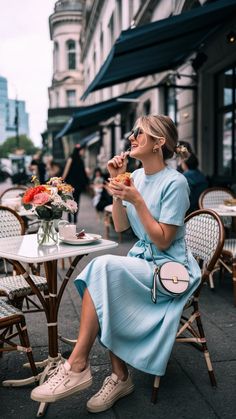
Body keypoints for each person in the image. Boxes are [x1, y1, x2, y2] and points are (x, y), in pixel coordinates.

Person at [31, 115, 201, 413]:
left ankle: (80, 365)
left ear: (159, 143)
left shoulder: (176, 183)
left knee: (102, 268)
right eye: (132, 132)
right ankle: (116, 375)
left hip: (171, 270)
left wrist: (137, 201)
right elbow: (122, 227)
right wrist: (119, 188)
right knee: (103, 274)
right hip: (142, 261)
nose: (132, 137)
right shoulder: (134, 177)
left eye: (139, 133)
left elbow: (163, 241)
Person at [62, 145, 89, 223]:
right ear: (78, 151)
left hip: (71, 184)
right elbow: (83, 173)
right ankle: (74, 217)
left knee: (70, 200)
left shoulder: (72, 159)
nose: (83, 152)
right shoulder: (79, 160)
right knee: (76, 201)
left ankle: (71, 217)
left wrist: (63, 179)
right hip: (77, 185)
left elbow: (66, 170)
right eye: (82, 150)